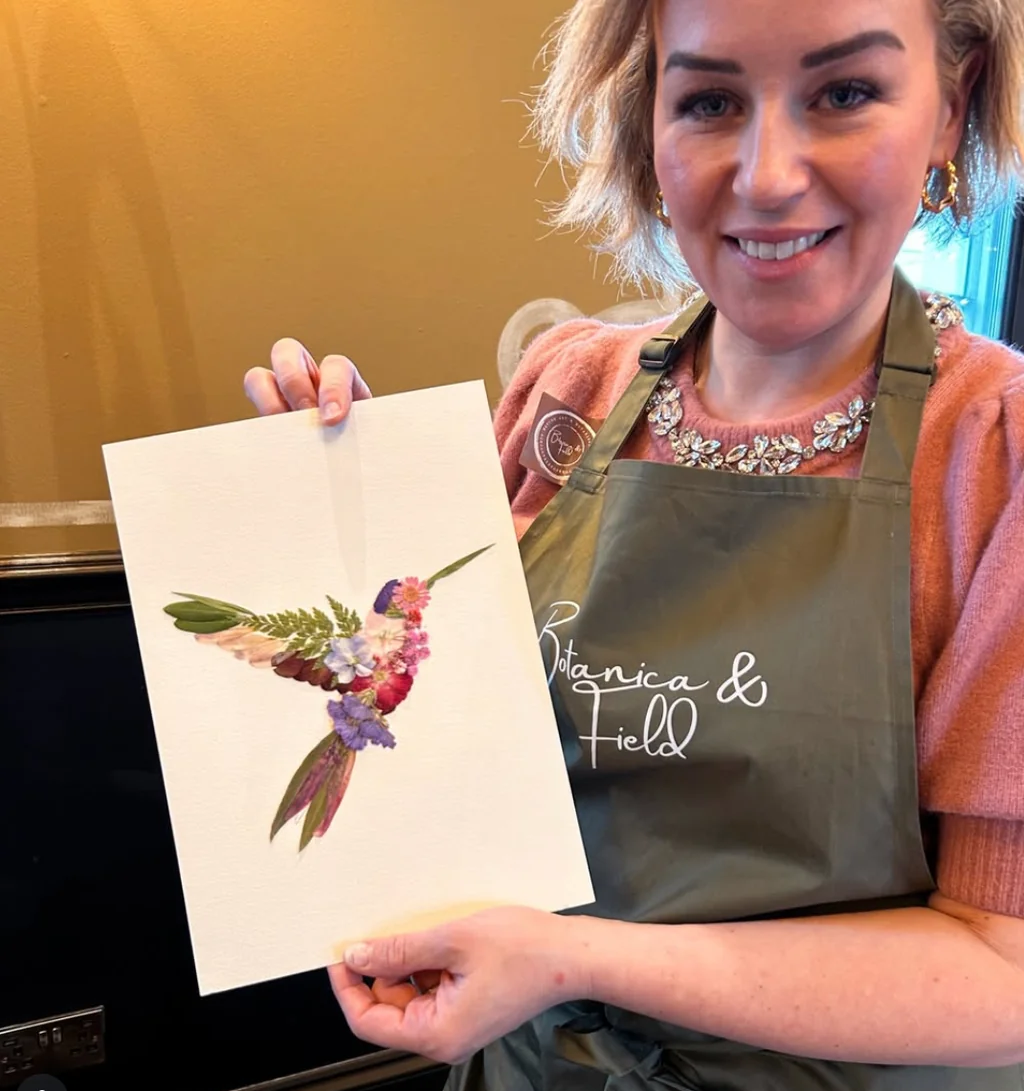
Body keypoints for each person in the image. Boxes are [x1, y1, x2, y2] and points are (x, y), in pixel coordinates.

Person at [243, 0, 1024, 1085]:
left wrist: (568, 955)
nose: (765, 175)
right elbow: (443, 756)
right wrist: (344, 509)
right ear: (645, 119)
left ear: (953, 102)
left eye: (843, 93)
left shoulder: (995, 453)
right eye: (707, 100)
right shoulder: (566, 390)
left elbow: (1003, 966)